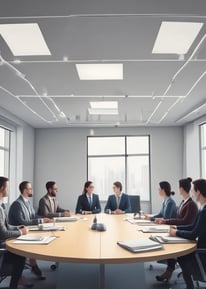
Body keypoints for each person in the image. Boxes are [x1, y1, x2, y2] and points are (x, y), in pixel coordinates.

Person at [155, 177, 198, 282]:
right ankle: (169, 270)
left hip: (188, 235)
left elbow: (185, 222)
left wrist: (168, 223)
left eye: (179, 187)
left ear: (181, 189)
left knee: (171, 245)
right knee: (167, 240)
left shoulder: (191, 204)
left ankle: (170, 271)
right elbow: (179, 219)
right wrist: (172, 225)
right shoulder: (184, 202)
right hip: (183, 231)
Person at [8, 181, 51, 280]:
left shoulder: (27, 202)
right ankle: (32, 266)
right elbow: (23, 222)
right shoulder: (17, 204)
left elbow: (33, 216)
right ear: (24, 190)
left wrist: (44, 219)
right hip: (17, 235)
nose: (32, 190)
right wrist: (40, 220)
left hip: (27, 231)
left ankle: (33, 264)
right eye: (30, 188)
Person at [169, 179, 206, 289]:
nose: (193, 194)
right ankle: (190, 285)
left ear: (198, 192)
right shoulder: (202, 208)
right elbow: (193, 226)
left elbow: (193, 233)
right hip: (201, 248)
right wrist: (176, 227)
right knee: (181, 255)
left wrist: (176, 232)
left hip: (202, 253)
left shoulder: (204, 211)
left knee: (182, 256)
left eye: (193, 191)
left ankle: (190, 286)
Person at [0, 176, 29, 289]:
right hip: (2, 246)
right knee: (20, 255)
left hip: (4, 242)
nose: (9, 190)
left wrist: (17, 228)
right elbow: (3, 234)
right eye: (8, 187)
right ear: (2, 189)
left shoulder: (2, 206)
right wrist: (21, 233)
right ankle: (13, 285)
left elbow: (6, 226)